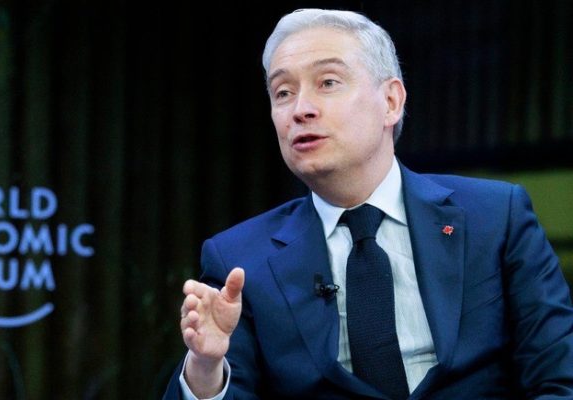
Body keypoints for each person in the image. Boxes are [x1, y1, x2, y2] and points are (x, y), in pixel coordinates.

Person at [163, 8, 573, 400]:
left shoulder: (495, 217)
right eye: (283, 92)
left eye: (328, 83)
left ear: (391, 102)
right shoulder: (239, 260)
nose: (301, 110)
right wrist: (205, 368)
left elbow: (559, 378)